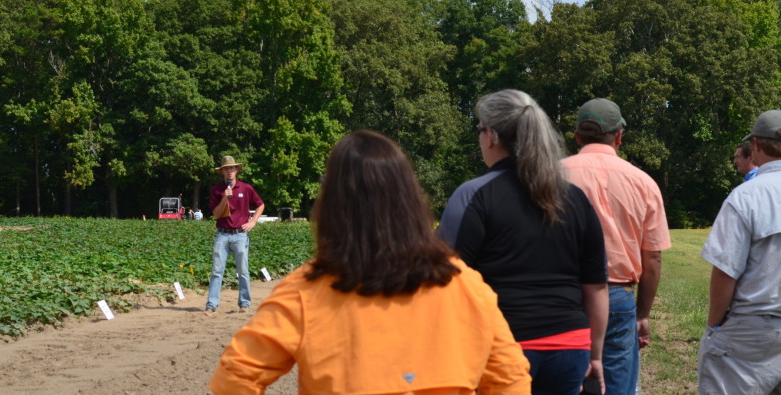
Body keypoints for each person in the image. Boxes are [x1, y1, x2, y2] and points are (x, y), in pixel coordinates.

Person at [209, 130, 532, 394]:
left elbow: (235, 378)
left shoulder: (305, 290)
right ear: (410, 198)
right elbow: (511, 379)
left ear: (331, 204)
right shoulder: (463, 283)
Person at [438, 89, 608, 395]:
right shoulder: (575, 199)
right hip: (570, 346)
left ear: (490, 135)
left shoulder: (473, 195)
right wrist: (594, 354)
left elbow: (446, 281)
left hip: (502, 348)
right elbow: (595, 286)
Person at [561, 98, 672, 394]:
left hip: (561, 296)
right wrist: (643, 314)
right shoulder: (643, 182)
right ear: (619, 137)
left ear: (577, 137)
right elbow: (653, 259)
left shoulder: (549, 177)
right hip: (617, 296)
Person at [698, 109, 781, 394]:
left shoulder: (746, 196)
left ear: (756, 145)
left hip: (753, 330)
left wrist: (714, 325)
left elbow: (725, 271)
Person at [205, 155, 264, 315]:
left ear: (237, 170)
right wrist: (225, 198)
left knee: (243, 271)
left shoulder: (246, 188)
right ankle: (211, 305)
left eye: (232, 168)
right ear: (222, 172)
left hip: (240, 235)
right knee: (217, 271)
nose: (229, 171)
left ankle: (244, 304)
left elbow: (260, 205)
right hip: (222, 235)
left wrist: (253, 222)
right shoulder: (217, 190)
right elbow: (216, 215)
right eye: (226, 168)